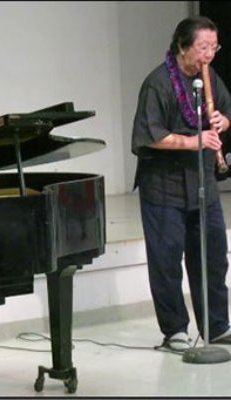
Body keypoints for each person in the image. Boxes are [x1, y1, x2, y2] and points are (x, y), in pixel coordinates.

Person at [132, 16, 231, 352]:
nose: (209, 55)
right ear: (182, 46)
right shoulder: (158, 83)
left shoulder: (210, 78)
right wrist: (195, 141)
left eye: (213, 47)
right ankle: (174, 329)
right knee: (167, 260)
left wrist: (222, 120)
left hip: (202, 182)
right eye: (203, 47)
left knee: (214, 257)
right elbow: (151, 136)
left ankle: (217, 326)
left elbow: (228, 112)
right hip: (164, 186)